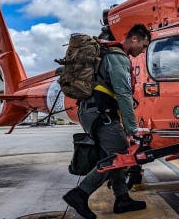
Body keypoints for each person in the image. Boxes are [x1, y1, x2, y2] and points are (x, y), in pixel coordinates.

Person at [63, 24, 151, 219]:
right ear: (135, 38)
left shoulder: (108, 53)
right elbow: (123, 93)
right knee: (120, 154)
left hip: (91, 112)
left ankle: (122, 199)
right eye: (143, 46)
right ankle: (80, 194)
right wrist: (132, 128)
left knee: (114, 156)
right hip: (101, 114)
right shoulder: (118, 57)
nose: (142, 51)